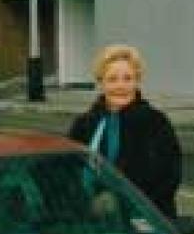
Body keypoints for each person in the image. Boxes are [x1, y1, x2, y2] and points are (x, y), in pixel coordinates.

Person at [69, 44, 182, 218]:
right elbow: (69, 173)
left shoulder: (156, 123)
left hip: (145, 220)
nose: (120, 86)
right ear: (101, 82)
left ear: (137, 81)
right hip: (92, 223)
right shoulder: (84, 124)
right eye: (112, 79)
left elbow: (169, 177)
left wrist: (124, 204)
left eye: (127, 78)